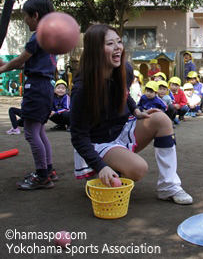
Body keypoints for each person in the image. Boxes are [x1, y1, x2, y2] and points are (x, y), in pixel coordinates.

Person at [70, 24, 192, 204]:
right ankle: (100, 174)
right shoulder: (82, 88)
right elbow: (78, 136)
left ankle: (168, 186)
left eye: (119, 42)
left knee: (161, 119)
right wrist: (100, 165)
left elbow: (124, 93)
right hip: (98, 142)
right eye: (110, 43)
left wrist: (136, 110)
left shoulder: (124, 70)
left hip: (122, 130)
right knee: (138, 169)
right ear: (95, 50)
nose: (118, 47)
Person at [0, 0, 58, 190]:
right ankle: (48, 170)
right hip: (45, 87)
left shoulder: (37, 37)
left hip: (36, 88)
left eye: (25, 15)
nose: (24, 19)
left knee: (31, 133)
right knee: (40, 131)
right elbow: (26, 63)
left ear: (35, 15)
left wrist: (2, 69)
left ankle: (42, 175)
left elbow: (19, 62)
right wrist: (4, 64)